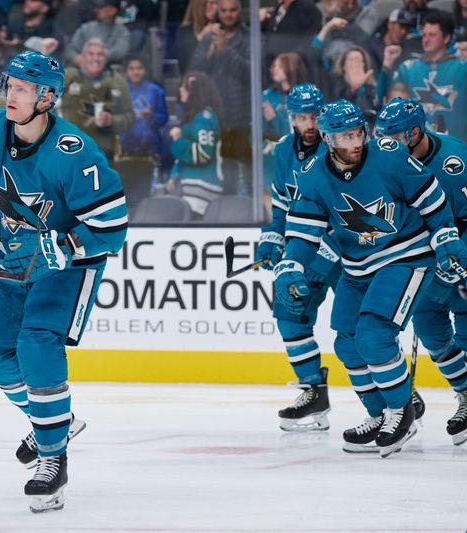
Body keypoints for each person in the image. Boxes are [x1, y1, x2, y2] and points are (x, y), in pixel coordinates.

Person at [0, 50, 127, 513]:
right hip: (14, 254)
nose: (11, 95)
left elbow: (112, 228)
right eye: (9, 85)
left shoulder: (76, 154)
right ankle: (55, 420)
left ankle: (52, 459)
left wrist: (64, 247)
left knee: (36, 346)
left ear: (47, 98)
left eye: (23, 89)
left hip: (69, 265)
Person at [275, 99, 467, 457]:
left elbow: (431, 196)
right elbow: (303, 233)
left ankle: (402, 412)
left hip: (406, 256)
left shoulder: (389, 154)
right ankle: (379, 414)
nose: (356, 142)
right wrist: (291, 267)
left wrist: (444, 236)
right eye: (346, 136)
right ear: (330, 139)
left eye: (359, 133)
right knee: (347, 341)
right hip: (357, 267)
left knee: (375, 335)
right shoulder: (314, 175)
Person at [374, 97, 467, 445]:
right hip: (424, 261)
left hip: (460, 253)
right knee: (431, 331)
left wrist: (456, 259)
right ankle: (465, 393)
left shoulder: (455, 160)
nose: (387, 143)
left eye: (395, 136)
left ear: (415, 132)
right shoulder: (386, 162)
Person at [256, 83, 337, 431]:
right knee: (289, 313)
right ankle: (313, 391)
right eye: (301, 116)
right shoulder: (284, 149)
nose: (309, 123)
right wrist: (272, 239)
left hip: (344, 250)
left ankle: (395, 398)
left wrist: (320, 253)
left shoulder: (338, 147)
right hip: (304, 250)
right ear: (290, 118)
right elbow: (282, 205)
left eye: (314, 115)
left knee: (359, 330)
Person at [188, 0, 251, 195]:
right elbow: (193, 72)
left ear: (239, 12)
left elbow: (253, 73)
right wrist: (209, 51)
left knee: (245, 171)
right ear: (218, 12)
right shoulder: (209, 36)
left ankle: (247, 213)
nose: (228, 14)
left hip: (241, 115)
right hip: (214, 116)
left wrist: (225, 51)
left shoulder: (250, 36)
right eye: (224, 10)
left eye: (232, 10)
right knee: (220, 171)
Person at [391, 11, 467, 141]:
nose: (426, 40)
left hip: (457, 149)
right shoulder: (407, 69)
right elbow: (394, 109)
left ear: (446, 38)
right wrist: (386, 67)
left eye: (432, 35)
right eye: (424, 35)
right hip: (416, 148)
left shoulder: (462, 68)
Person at [60, 38, 134, 159]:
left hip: (103, 152)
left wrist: (112, 121)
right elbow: (46, 100)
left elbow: (130, 116)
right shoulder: (69, 76)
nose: (96, 59)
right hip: (70, 149)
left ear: (106, 58)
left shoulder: (117, 81)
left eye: (100, 54)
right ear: (82, 57)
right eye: (91, 54)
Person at [165, 72, 223, 219]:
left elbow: (203, 154)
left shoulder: (204, 118)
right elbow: (183, 157)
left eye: (185, 87)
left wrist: (178, 139)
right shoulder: (193, 118)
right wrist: (174, 176)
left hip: (202, 188)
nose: (180, 90)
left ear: (196, 92)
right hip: (189, 187)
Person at [118, 56, 168, 159]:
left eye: (139, 68)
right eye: (131, 69)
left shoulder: (156, 91)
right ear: (126, 72)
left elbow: (164, 118)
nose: (136, 72)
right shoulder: (120, 92)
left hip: (151, 148)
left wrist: (151, 116)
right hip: (126, 148)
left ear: (145, 70)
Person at [63, 0, 130, 67]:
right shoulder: (86, 28)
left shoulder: (122, 31)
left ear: (112, 11)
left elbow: (121, 52)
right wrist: (76, 58)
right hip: (83, 69)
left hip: (110, 71)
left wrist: (96, 57)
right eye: (96, 7)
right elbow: (70, 49)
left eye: (100, 8)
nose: (96, 10)